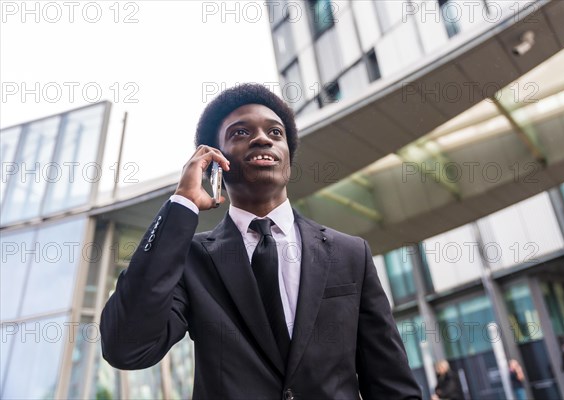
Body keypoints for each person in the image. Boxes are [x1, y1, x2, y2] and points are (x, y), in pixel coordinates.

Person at [100, 83, 422, 399]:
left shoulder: (350, 253)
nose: (261, 139)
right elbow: (126, 347)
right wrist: (181, 204)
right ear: (214, 161)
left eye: (275, 133)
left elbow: (390, 383)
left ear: (288, 159)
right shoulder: (192, 260)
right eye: (240, 132)